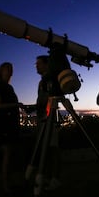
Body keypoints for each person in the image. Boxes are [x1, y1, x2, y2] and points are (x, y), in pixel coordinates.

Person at [0, 62, 22, 193]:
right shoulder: (0, 86)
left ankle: (8, 182)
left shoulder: (8, 87)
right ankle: (6, 185)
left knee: (9, 154)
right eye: (7, 69)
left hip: (9, 124)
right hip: (3, 125)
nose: (9, 71)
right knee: (7, 154)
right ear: (1, 71)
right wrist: (16, 105)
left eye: (11, 69)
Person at [35, 55, 62, 190]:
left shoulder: (50, 79)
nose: (36, 66)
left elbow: (50, 99)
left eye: (39, 63)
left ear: (47, 65)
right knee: (45, 149)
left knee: (52, 149)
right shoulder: (42, 82)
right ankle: (45, 176)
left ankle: (54, 178)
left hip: (50, 118)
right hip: (42, 118)